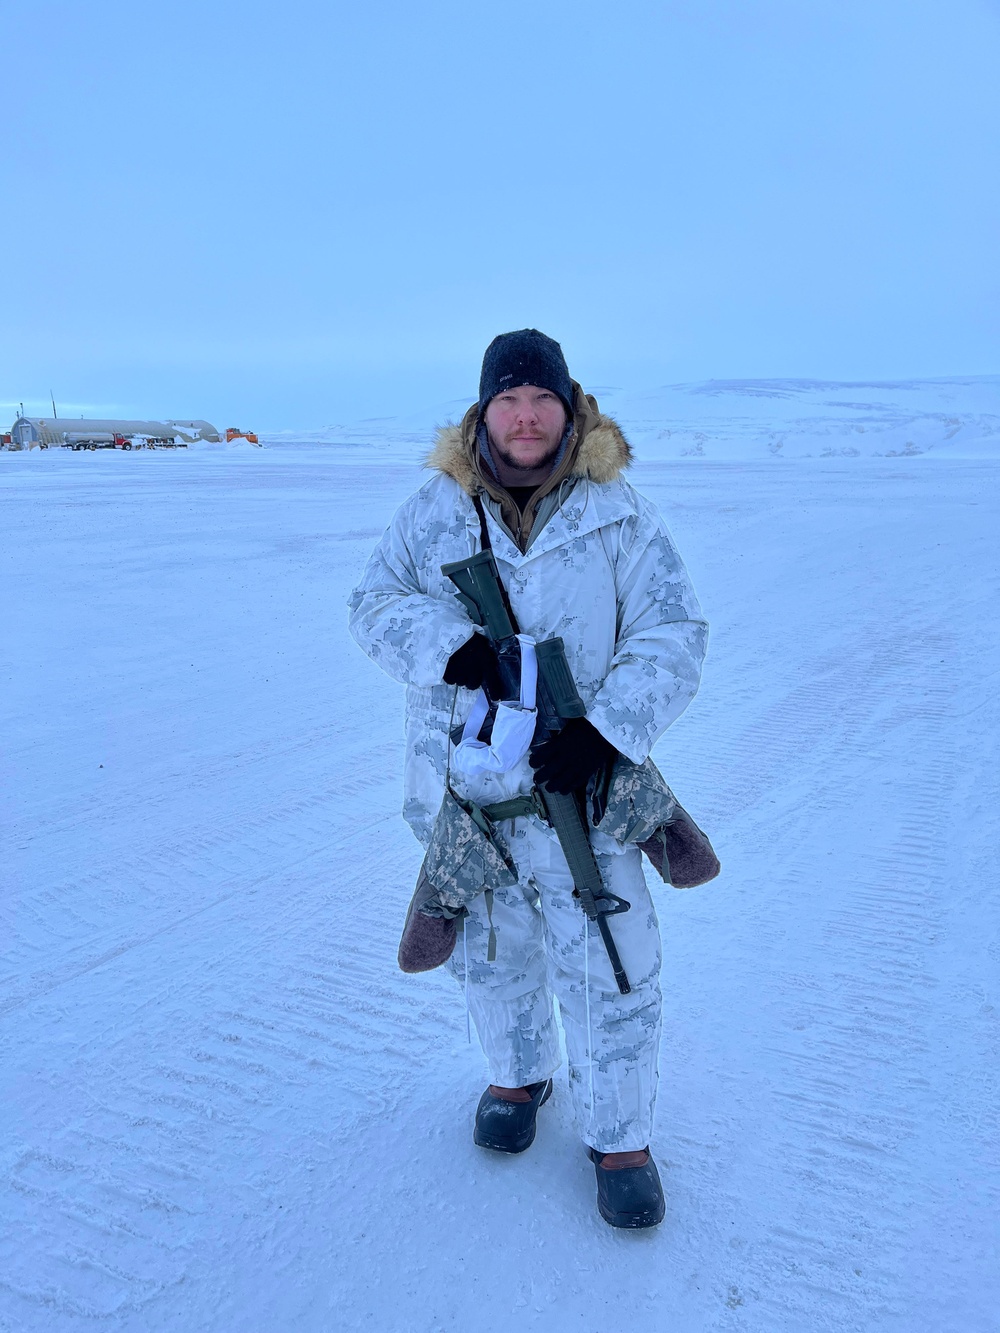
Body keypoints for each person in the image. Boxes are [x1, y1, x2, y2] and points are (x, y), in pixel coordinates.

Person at [349, 329, 708, 1228]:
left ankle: (619, 1135)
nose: (524, 415)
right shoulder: (435, 508)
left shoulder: (617, 512)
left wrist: (603, 731)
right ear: (483, 411)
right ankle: (517, 1078)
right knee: (492, 953)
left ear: (568, 406)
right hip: (469, 795)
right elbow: (373, 603)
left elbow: (673, 632)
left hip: (584, 791)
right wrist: (451, 647)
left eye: (540, 399)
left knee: (613, 962)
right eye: (507, 399)